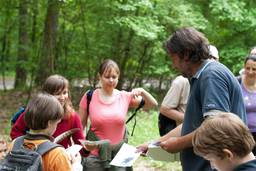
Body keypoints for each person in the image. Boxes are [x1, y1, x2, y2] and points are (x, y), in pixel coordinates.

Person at [137, 27, 246, 171]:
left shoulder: (212, 75)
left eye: (173, 57)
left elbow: (215, 128)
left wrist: (179, 144)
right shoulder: (199, 77)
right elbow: (190, 125)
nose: (172, 64)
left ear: (186, 53)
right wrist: (155, 143)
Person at [79, 59, 158, 171]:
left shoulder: (124, 96)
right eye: (107, 77)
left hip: (119, 157)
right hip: (94, 156)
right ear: (99, 76)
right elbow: (80, 126)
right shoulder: (89, 96)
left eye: (114, 77)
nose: (111, 80)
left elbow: (152, 104)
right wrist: (81, 148)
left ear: (118, 77)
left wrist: (143, 91)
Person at [10, 75, 86, 151]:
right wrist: (28, 149)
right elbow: (15, 133)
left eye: (65, 93)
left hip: (58, 159)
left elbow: (80, 145)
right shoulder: (34, 112)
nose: (62, 97)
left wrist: (87, 149)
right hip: (33, 159)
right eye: (58, 93)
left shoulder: (72, 116)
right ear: (47, 94)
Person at [8, 93, 82, 171]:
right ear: (49, 123)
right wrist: (76, 166)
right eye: (57, 122)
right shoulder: (57, 154)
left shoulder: (15, 143)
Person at [239, 54, 256, 155]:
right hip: (243, 134)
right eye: (247, 68)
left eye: (254, 69)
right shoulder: (237, 82)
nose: (250, 72)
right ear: (244, 68)